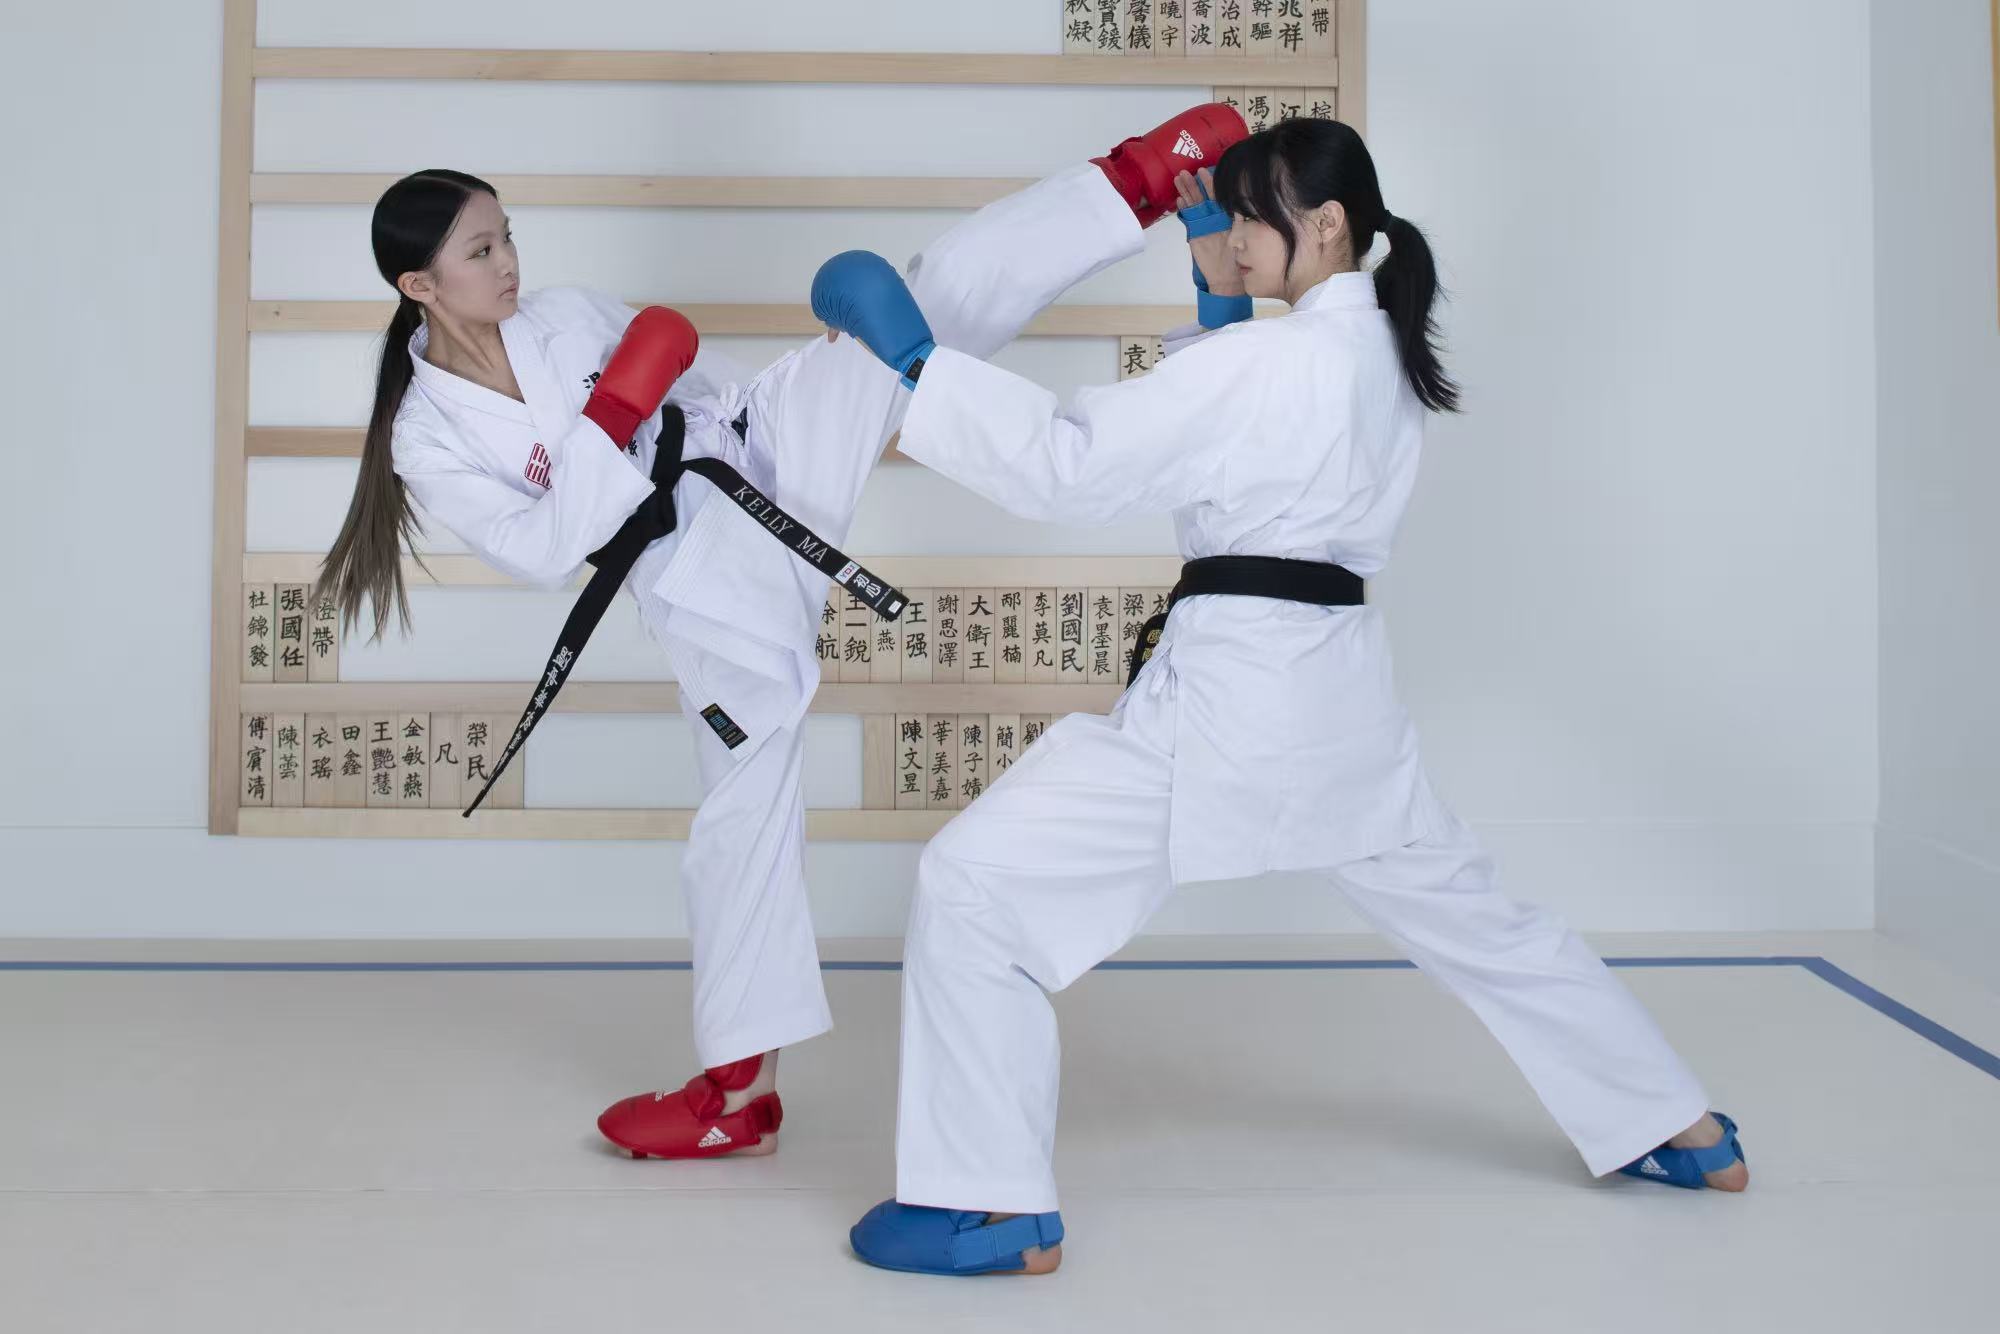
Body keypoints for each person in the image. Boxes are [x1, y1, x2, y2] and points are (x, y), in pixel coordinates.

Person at [811, 116, 1747, 1278]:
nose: (1233, 235)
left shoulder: (1274, 361)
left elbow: (1068, 462)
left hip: (1225, 710)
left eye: (1249, 217)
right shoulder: (1381, 360)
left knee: (969, 888)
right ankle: (1673, 1123)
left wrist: (919, 365)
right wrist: (1216, 302)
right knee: (1482, 922)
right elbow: (1250, 461)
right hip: (1339, 701)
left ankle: (986, 1202)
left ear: (1326, 224)